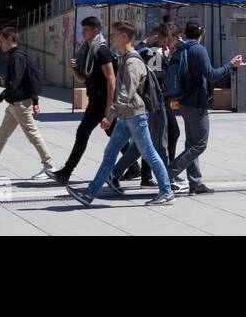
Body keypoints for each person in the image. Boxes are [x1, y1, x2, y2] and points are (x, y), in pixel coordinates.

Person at [66, 21, 175, 207]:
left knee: (149, 153)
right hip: (127, 116)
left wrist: (110, 115)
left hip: (135, 115)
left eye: (115, 34)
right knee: (110, 153)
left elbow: (126, 93)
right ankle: (89, 194)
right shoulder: (125, 57)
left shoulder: (132, 61)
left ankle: (166, 191)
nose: (111, 38)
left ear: (124, 36)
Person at [0, 27, 55, 179]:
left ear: (9, 39)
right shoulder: (18, 56)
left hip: (20, 105)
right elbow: (28, 79)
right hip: (15, 105)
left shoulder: (17, 57)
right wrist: (35, 101)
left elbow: (15, 83)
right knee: (1, 136)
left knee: (33, 135)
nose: (0, 45)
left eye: (1, 41)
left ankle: (50, 167)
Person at [165, 22, 242, 195]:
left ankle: (195, 183)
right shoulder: (198, 50)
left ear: (185, 33)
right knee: (200, 144)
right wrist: (231, 65)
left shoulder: (181, 48)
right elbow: (212, 75)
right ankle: (168, 173)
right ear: (203, 33)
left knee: (191, 143)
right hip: (196, 103)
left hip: (183, 101)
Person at [47, 16, 117, 185]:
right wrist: (73, 70)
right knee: (115, 135)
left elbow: (111, 78)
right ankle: (135, 167)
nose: (83, 33)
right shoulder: (87, 51)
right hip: (94, 98)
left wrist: (109, 108)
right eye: (83, 30)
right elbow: (82, 78)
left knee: (82, 133)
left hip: (100, 102)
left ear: (96, 30)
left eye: (86, 30)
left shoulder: (101, 50)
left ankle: (66, 172)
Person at [112, 23, 176, 189]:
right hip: (153, 104)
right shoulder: (149, 52)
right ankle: (167, 182)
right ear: (156, 37)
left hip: (141, 105)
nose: (164, 45)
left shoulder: (138, 50)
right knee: (160, 142)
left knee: (142, 145)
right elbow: (158, 78)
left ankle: (116, 173)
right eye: (163, 41)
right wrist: (167, 60)